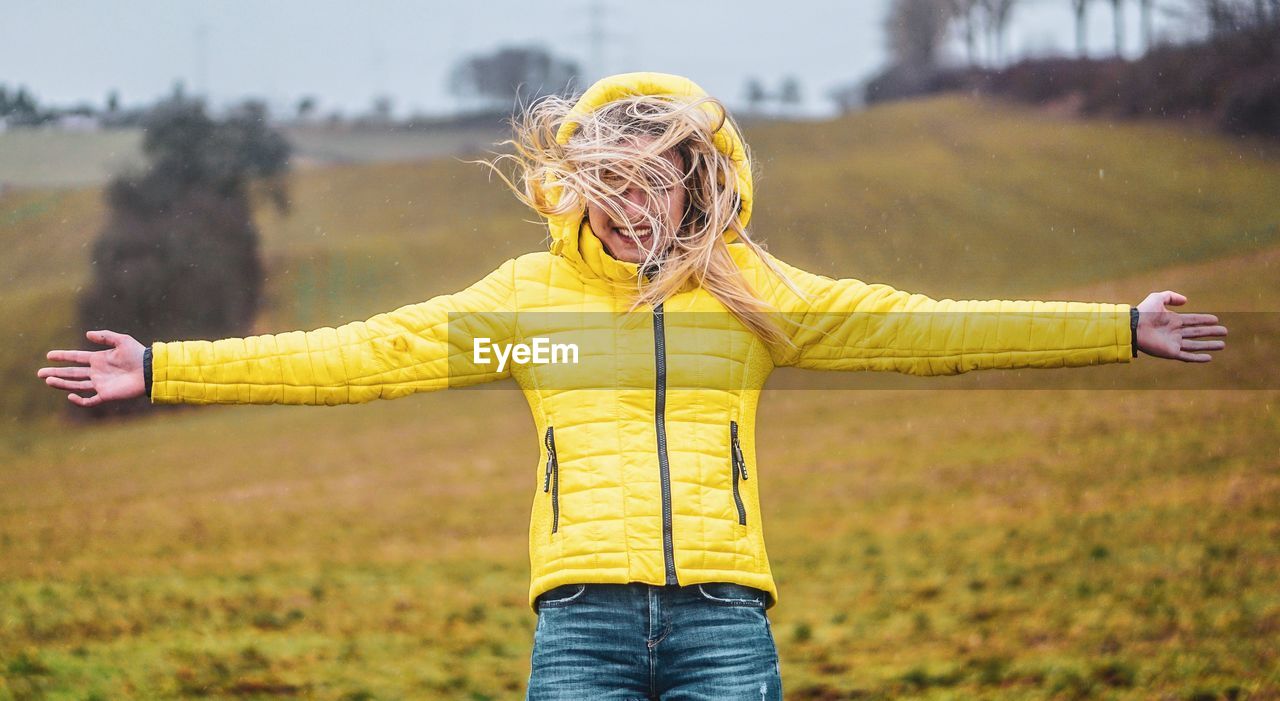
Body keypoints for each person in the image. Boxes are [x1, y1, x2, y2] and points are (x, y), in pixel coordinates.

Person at [37, 73, 1226, 700]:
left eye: (656, 180)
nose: (630, 203)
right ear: (579, 183)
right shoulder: (524, 305)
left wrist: (1117, 327)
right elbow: (357, 353)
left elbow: (928, 329)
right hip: (580, 624)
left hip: (723, 621)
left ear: (695, 183)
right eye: (611, 179)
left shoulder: (756, 294)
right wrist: (167, 366)